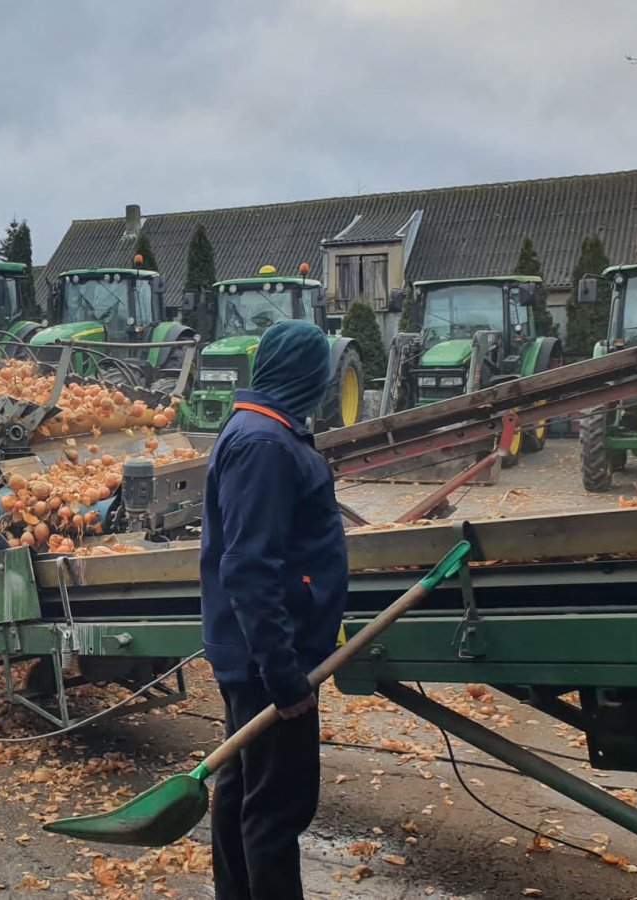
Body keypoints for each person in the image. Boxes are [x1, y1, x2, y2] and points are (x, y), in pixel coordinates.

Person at [198, 319, 350, 900]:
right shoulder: (264, 443)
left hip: (259, 656)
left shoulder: (266, 431)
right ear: (304, 375)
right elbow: (250, 567)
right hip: (269, 663)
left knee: (243, 791)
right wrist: (284, 677)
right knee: (277, 807)